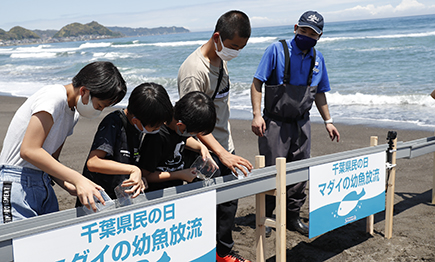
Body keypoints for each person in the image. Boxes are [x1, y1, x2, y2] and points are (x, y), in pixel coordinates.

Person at [0, 61, 127, 223]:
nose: (100, 111)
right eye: (100, 105)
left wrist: (69, 184)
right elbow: (29, 150)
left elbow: (50, 159)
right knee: (16, 245)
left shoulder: (72, 114)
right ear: (84, 91)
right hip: (16, 182)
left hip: (43, 183)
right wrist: (77, 179)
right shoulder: (53, 96)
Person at [250, 11, 340, 237]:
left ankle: (292, 217)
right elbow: (257, 83)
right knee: (271, 169)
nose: (307, 36)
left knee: (300, 170)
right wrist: (256, 115)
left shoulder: (318, 59)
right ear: (295, 28)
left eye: (312, 33)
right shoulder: (276, 50)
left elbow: (319, 93)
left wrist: (328, 121)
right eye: (303, 31)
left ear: (319, 36)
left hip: (302, 123)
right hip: (275, 123)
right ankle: (267, 216)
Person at [177, 10, 253, 262]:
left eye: (240, 48)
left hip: (223, 144)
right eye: (233, 46)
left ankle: (222, 252)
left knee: (228, 201)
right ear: (217, 37)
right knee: (207, 204)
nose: (236, 52)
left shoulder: (221, 59)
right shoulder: (193, 71)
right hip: (203, 149)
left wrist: (227, 149)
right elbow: (191, 121)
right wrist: (219, 153)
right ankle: (213, 253)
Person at [76, 83, 173, 206]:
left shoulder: (137, 127)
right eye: (155, 127)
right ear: (136, 121)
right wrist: (134, 170)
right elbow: (93, 162)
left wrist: (139, 178)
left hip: (119, 200)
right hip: (97, 202)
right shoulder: (113, 123)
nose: (157, 130)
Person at [139, 91, 216, 191]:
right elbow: (146, 176)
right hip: (158, 193)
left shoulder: (178, 129)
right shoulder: (156, 138)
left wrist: (201, 147)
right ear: (181, 126)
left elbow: (183, 139)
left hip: (175, 188)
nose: (192, 136)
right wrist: (178, 175)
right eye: (193, 133)